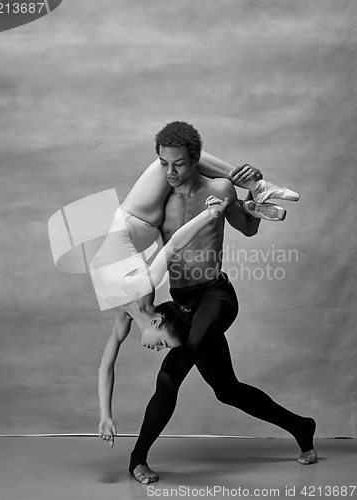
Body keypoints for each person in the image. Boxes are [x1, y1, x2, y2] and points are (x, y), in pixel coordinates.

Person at [125, 121, 317, 484]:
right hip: (181, 303)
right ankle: (301, 427)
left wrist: (253, 195)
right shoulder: (159, 199)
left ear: (196, 159)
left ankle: (137, 460)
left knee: (171, 372)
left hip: (216, 295)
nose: (170, 172)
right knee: (227, 390)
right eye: (164, 164)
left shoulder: (220, 187)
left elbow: (248, 227)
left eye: (178, 164)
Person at [95, 195, 230, 447]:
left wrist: (106, 415)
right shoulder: (142, 287)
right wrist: (209, 214)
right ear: (156, 322)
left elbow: (106, 367)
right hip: (131, 218)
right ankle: (251, 190)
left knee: (177, 163)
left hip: (126, 232)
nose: (159, 349)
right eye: (164, 344)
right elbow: (173, 245)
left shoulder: (124, 318)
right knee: (173, 160)